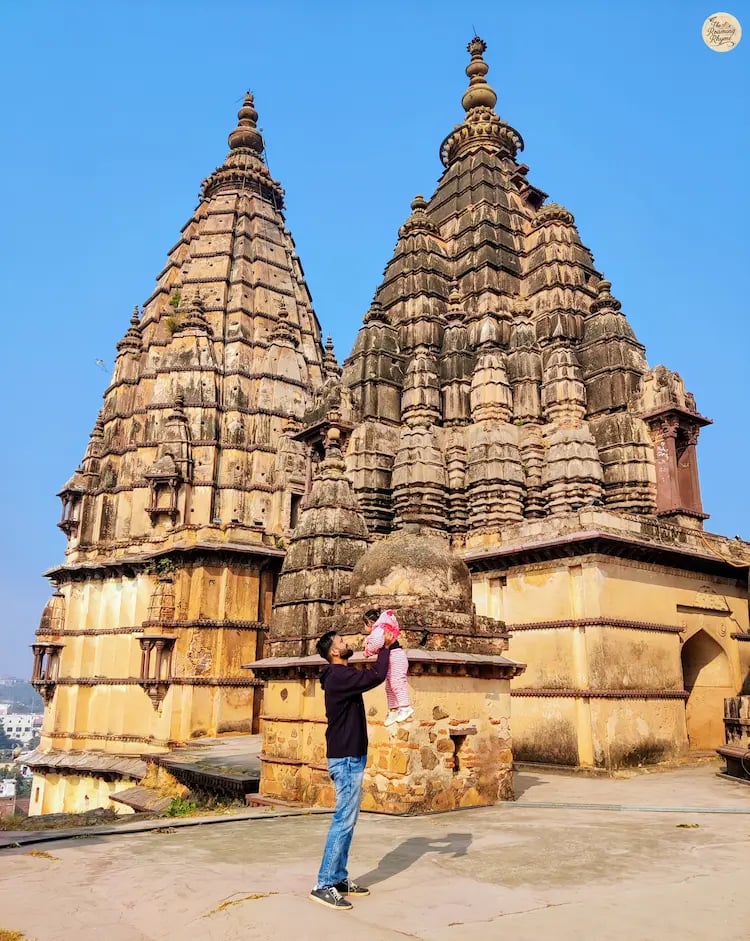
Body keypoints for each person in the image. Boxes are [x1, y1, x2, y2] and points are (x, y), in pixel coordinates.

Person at [309, 629, 396, 911]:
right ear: (334, 652)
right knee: (343, 820)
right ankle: (323, 884)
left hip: (351, 755)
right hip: (345, 758)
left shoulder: (341, 676)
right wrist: (386, 646)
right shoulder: (338, 676)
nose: (347, 644)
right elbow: (376, 675)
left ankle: (338, 878)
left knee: (349, 819)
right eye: (342, 642)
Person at [363, 609, 414, 727]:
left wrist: (367, 650)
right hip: (392, 658)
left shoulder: (379, 630)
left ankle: (405, 707)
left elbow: (375, 644)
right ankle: (393, 709)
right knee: (389, 686)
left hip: (396, 658)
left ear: (370, 623)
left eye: (364, 624)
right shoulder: (381, 629)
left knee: (397, 683)